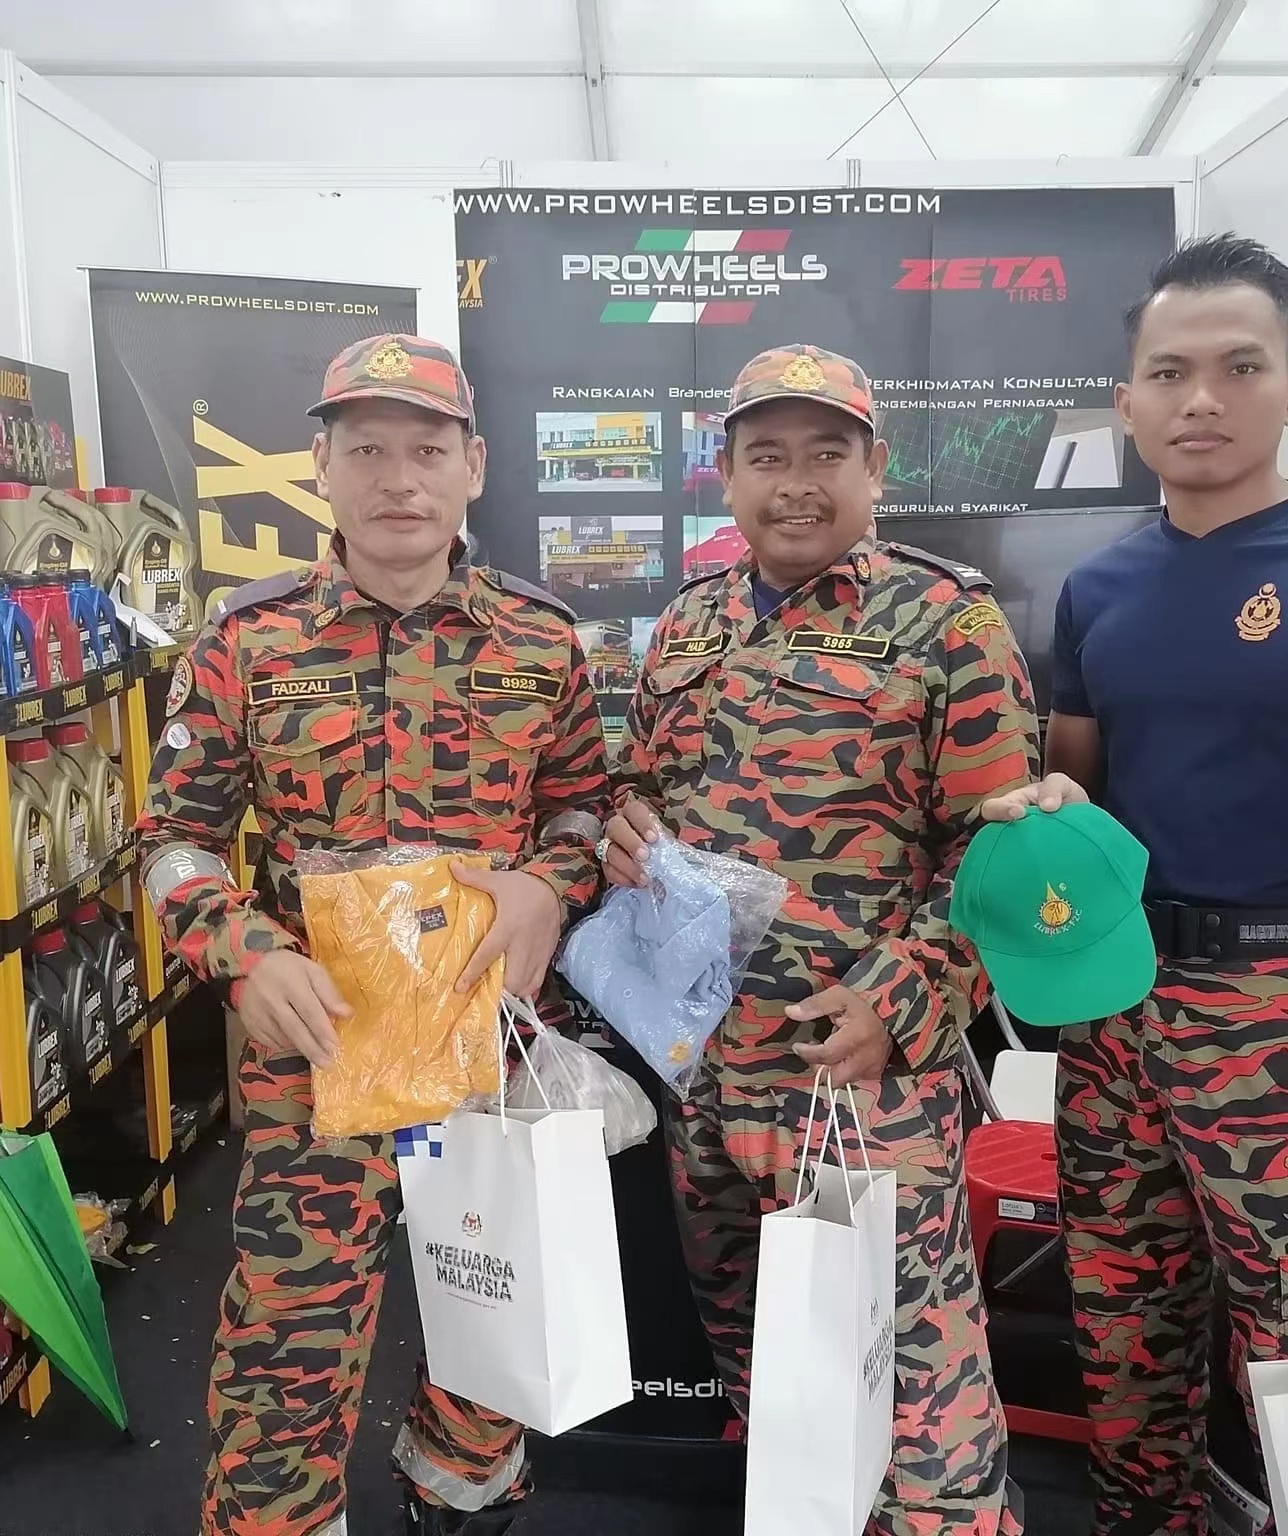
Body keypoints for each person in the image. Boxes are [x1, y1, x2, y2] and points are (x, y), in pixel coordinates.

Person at [983, 233, 1288, 1534]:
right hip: (1116, 1023)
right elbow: (1074, 809)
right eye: (1170, 372)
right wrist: (1033, 816)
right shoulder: (1097, 592)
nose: (1201, 398)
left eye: (1238, 367)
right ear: (1129, 399)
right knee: (1127, 1355)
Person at [136, 334, 610, 1536]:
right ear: (321, 468)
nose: (398, 476)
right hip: (316, 1052)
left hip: (485, 1046)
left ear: (474, 467)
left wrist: (549, 885)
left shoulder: (542, 639)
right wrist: (245, 957)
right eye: (367, 450)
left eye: (426, 449)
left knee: (492, 1331)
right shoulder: (247, 642)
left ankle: (457, 1502)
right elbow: (171, 845)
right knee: (282, 1354)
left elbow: (587, 810)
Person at [600, 343, 1038, 1535]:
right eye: (766, 456)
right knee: (771, 1381)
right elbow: (639, 798)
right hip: (707, 1079)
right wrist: (619, 832)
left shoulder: (946, 621)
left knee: (918, 1396)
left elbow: (1002, 856)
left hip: (863, 1079)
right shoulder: (684, 627)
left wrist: (903, 998)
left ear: (874, 468)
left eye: (825, 454)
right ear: (725, 476)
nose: (796, 482)